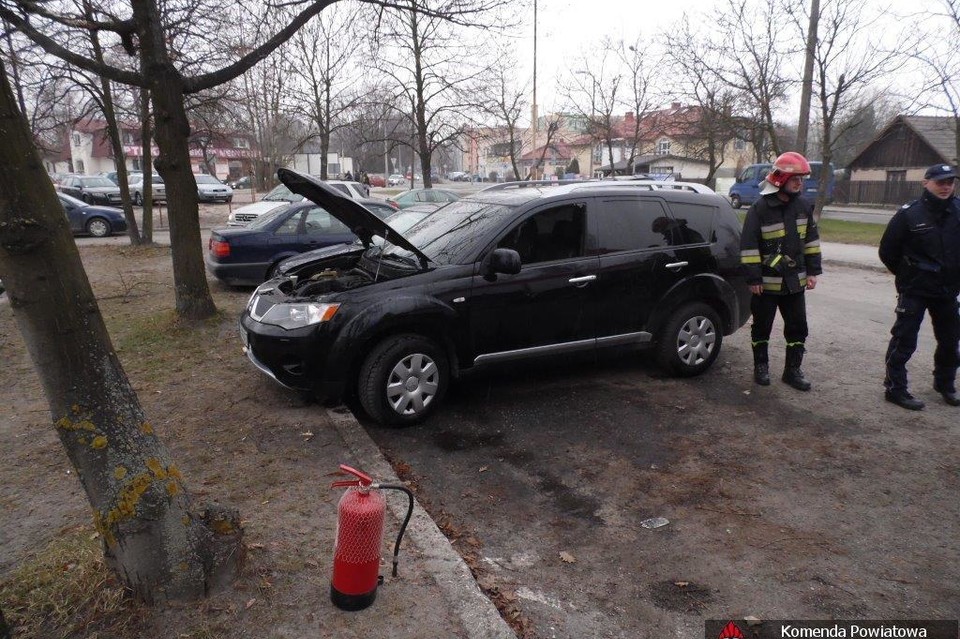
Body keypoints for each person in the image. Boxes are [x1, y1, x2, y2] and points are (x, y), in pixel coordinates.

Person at [878, 164, 960, 410]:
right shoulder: (909, 214)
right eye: (940, 182)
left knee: (950, 340)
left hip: (946, 289)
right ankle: (895, 389)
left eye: (950, 182)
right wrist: (908, 275)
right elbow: (887, 251)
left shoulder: (958, 211)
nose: (946, 187)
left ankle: (945, 384)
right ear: (926, 183)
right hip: (915, 289)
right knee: (904, 341)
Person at [740, 151, 822, 390]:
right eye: (795, 178)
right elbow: (748, 245)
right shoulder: (760, 208)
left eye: (802, 178)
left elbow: (811, 241)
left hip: (794, 282)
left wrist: (813, 271)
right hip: (766, 283)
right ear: (780, 179)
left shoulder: (803, 206)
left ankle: (792, 371)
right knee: (762, 326)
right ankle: (761, 366)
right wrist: (754, 277)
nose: (800, 183)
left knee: (798, 327)